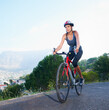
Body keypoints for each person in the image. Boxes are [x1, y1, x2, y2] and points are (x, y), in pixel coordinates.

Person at [53, 20, 84, 85]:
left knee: (75, 62)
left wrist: (77, 48)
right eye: (66, 27)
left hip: (78, 50)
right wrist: (55, 50)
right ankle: (69, 79)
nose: (67, 28)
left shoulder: (75, 32)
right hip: (71, 51)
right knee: (66, 62)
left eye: (68, 26)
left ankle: (81, 78)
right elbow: (60, 45)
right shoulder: (64, 35)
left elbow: (78, 42)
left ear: (71, 27)